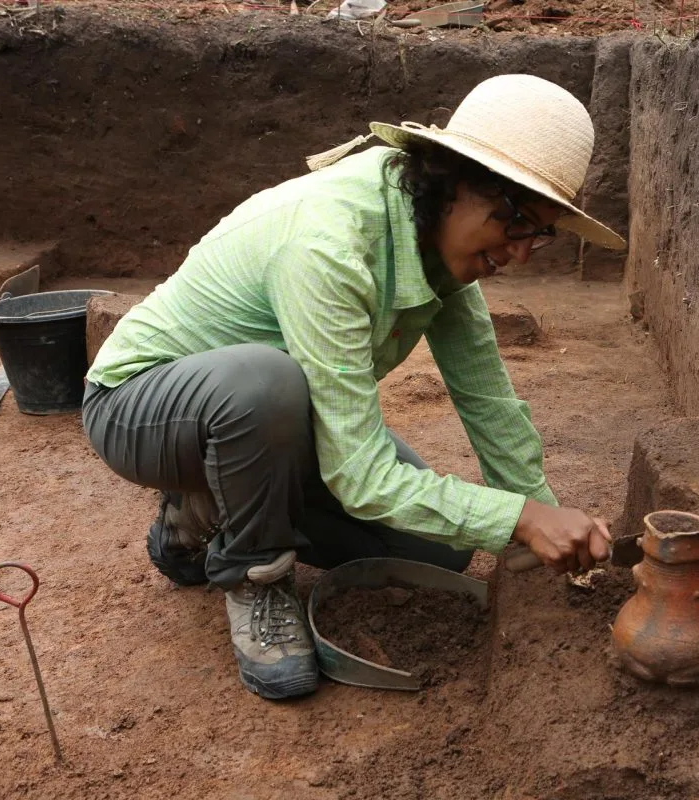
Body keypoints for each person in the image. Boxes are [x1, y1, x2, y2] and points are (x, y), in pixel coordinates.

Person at [82, 74, 625, 700]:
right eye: (516, 221)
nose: (522, 253)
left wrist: (540, 521)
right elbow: (360, 478)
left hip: (271, 429)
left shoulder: (436, 247)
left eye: (541, 231)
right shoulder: (331, 243)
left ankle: (201, 512)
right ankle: (256, 575)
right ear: (449, 179)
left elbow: (490, 404)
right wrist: (522, 519)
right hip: (143, 410)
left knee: (439, 553)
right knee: (267, 382)